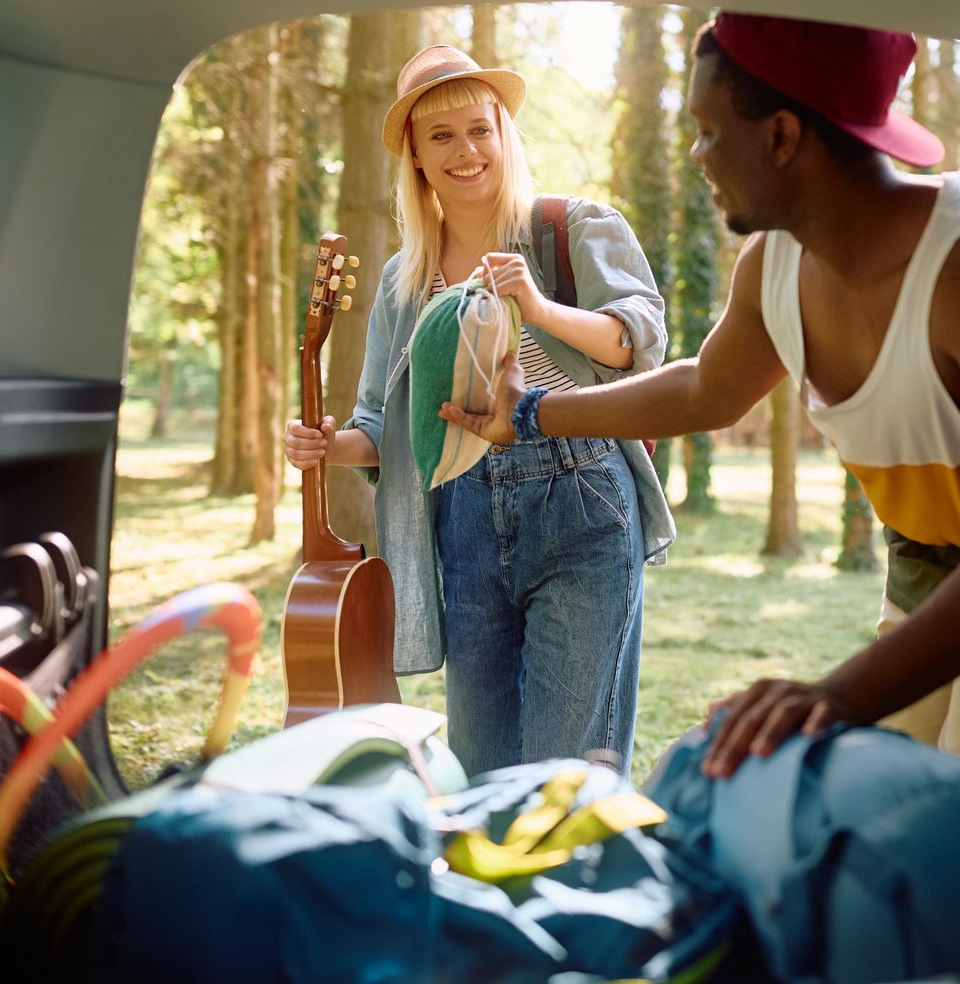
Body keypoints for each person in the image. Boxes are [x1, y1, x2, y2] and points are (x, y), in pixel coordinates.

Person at [444, 13, 960, 794]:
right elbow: (707, 388)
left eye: (707, 131)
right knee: (866, 825)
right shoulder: (774, 262)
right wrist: (528, 414)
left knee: (948, 866)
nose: (697, 158)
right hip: (920, 579)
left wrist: (832, 695)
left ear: (782, 136)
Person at [284, 44, 673, 777]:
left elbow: (637, 341)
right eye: (441, 136)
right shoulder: (407, 279)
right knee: (481, 765)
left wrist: (538, 305)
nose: (466, 150)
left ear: (503, 134)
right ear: (416, 159)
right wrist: (329, 446)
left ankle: (571, 887)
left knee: (567, 767)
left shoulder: (573, 227)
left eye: (479, 128)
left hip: (582, 499)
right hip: (461, 513)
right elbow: (381, 424)